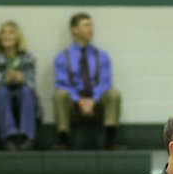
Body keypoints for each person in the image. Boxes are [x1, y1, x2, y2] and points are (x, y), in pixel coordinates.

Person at [52, 13, 123, 150]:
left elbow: (105, 82)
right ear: (74, 29)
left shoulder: (101, 56)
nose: (90, 29)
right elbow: (62, 83)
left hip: (96, 105)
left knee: (114, 94)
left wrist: (92, 100)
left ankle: (110, 140)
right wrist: (79, 100)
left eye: (91, 25)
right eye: (86, 25)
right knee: (59, 95)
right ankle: (63, 141)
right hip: (74, 106)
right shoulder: (62, 57)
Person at [0, 21, 38, 151]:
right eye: (3, 32)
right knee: (2, 90)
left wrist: (21, 78)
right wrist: (5, 79)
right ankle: (9, 137)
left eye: (11, 32)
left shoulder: (28, 58)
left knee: (25, 90)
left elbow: (32, 83)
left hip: (24, 102)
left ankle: (26, 137)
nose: (6, 35)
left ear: (18, 37)